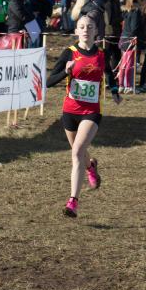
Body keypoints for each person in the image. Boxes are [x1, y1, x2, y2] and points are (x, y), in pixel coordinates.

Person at [46, 12, 121, 218]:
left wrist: (114, 91)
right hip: (70, 111)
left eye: (90, 27)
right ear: (76, 31)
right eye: (82, 27)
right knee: (79, 152)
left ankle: (73, 202)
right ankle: (91, 166)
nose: (86, 30)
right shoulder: (69, 53)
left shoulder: (102, 54)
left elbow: (109, 74)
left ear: (96, 31)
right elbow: (49, 82)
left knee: (77, 151)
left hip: (91, 111)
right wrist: (66, 72)